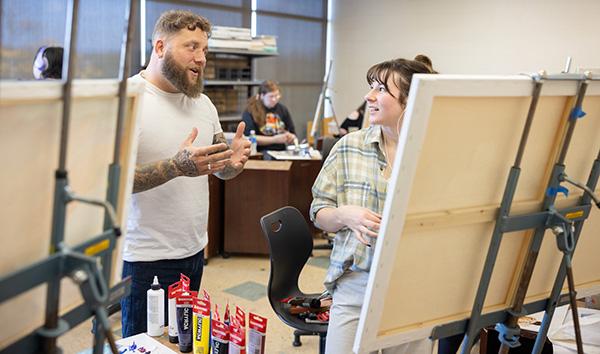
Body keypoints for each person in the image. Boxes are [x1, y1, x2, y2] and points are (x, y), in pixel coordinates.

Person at [120, 10, 251, 337]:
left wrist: (231, 165)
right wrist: (176, 167)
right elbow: (111, 182)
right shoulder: (127, 99)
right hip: (144, 258)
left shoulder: (203, 104)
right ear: (160, 46)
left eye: (205, 49)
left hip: (194, 251)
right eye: (191, 47)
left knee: (183, 341)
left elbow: (219, 167)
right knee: (144, 344)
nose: (201, 58)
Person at [310, 58, 436, 354]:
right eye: (371, 87)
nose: (369, 96)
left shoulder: (432, 152)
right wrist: (343, 215)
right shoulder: (348, 147)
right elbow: (319, 212)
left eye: (380, 89)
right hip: (355, 284)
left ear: (410, 98)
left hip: (413, 285)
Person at [241, 80, 296, 151]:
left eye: (277, 96)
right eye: (271, 96)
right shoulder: (250, 111)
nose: (274, 99)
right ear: (262, 96)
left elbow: (292, 132)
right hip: (260, 151)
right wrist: (274, 140)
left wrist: (290, 137)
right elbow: (249, 138)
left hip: (281, 151)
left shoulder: (282, 109)